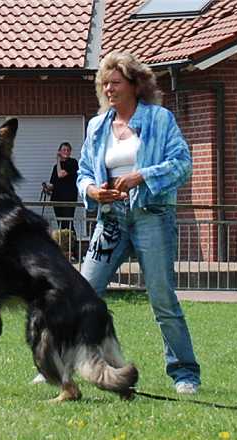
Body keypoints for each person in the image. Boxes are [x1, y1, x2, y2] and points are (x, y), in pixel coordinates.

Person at [76, 51, 201, 394]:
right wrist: (93, 191)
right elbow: (84, 172)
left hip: (152, 217)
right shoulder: (97, 126)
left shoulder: (160, 119)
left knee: (162, 298)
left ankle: (185, 373)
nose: (108, 89)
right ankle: (63, 364)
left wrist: (141, 176)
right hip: (110, 220)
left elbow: (183, 164)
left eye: (115, 82)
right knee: (82, 293)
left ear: (135, 85)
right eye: (104, 84)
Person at [44, 142, 79, 231]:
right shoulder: (55, 167)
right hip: (57, 199)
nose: (66, 152)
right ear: (59, 151)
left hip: (69, 199)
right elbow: (53, 184)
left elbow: (60, 174)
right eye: (64, 150)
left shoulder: (73, 162)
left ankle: (73, 240)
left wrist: (58, 160)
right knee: (61, 224)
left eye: (68, 150)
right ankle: (64, 240)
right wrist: (47, 187)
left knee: (68, 224)